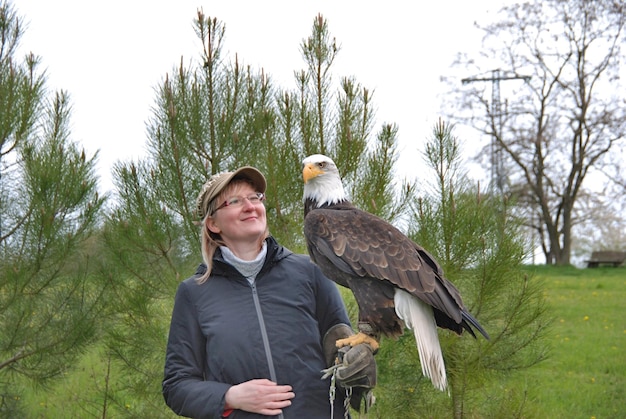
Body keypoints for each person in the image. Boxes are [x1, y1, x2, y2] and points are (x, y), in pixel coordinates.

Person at [162, 166, 377, 418]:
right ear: (213, 224)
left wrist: (355, 366)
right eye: (234, 201)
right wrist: (229, 396)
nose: (250, 206)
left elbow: (340, 345)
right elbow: (177, 386)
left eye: (255, 198)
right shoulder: (194, 293)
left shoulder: (311, 271)